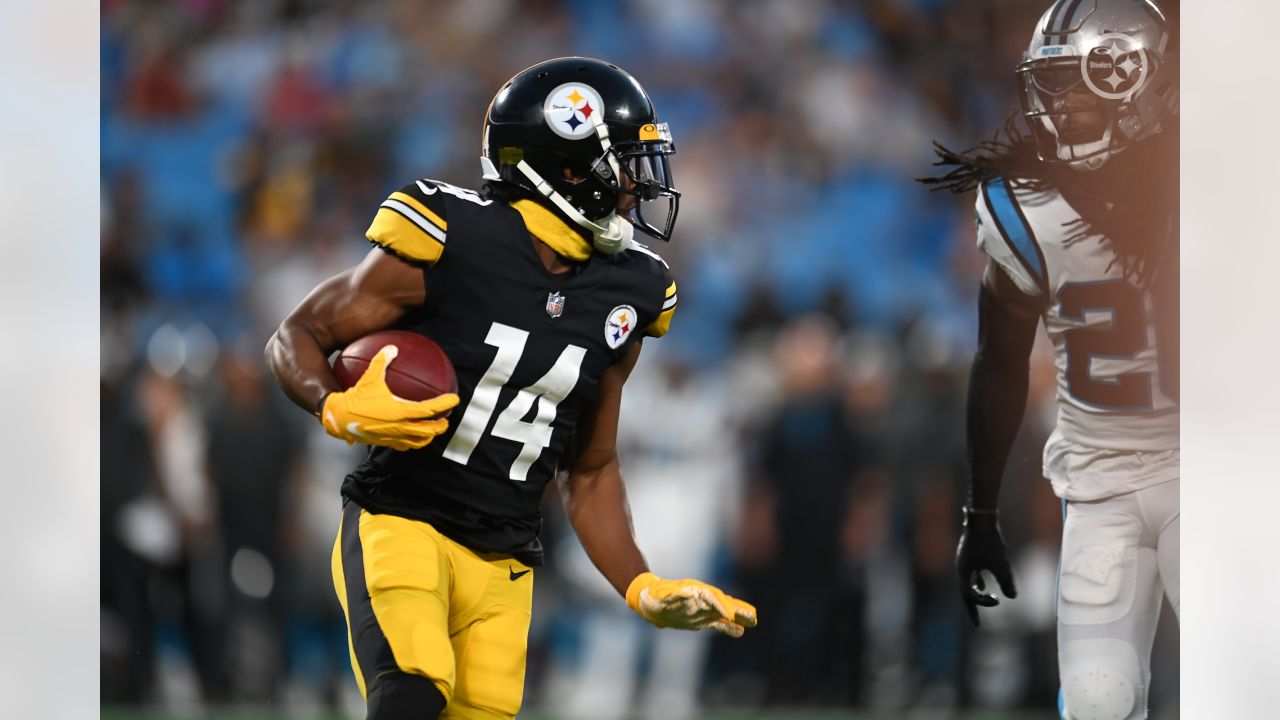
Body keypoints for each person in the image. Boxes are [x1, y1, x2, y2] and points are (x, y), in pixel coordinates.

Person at [264, 57, 757, 720]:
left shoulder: (630, 291)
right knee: (411, 694)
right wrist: (334, 406)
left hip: (506, 562)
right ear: (569, 169)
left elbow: (591, 469)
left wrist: (641, 586)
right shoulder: (452, 237)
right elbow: (295, 335)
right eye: (624, 167)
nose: (639, 190)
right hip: (403, 522)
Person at [921, 2, 1179, 718]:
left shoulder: (1215, 179)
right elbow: (999, 359)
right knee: (1098, 701)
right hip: (1098, 481)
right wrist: (980, 511)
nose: (1058, 105)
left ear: (1135, 79)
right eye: (1050, 84)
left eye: (1075, 83)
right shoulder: (1024, 206)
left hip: (1212, 469)